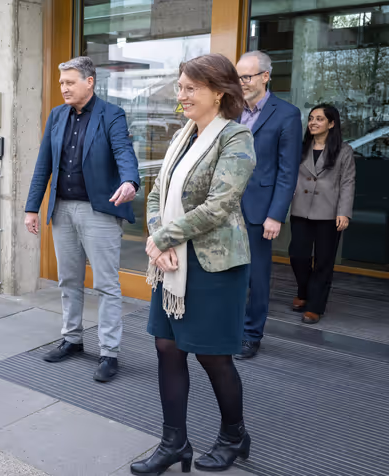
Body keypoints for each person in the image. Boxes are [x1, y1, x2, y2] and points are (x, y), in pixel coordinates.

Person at [131, 54, 256, 475]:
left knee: (213, 356)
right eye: (180, 87)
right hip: (170, 259)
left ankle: (235, 436)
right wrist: (156, 237)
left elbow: (220, 205)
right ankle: (174, 443)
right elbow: (155, 195)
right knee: (166, 347)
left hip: (214, 265)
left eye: (190, 88)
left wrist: (163, 237)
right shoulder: (182, 136)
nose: (180, 95)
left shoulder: (236, 138)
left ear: (219, 92)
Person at [24, 56, 140, 382]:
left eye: (70, 82)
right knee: (68, 280)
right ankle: (72, 339)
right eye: (61, 83)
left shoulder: (111, 115)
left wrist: (130, 182)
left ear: (90, 82)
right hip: (62, 209)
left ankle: (109, 352)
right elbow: (43, 165)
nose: (63, 88)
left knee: (106, 285)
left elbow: (123, 153)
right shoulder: (57, 116)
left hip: (98, 211)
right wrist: (31, 208)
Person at [234, 51, 303, 360]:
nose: (241, 83)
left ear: (265, 76)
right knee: (227, 271)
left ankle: (251, 335)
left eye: (246, 77)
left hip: (260, 210)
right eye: (238, 77)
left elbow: (288, 172)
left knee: (256, 276)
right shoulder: (231, 111)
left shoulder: (286, 114)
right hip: (225, 206)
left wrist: (276, 215)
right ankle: (230, 327)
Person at [289, 104, 355, 324]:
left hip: (329, 213)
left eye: (319, 119)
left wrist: (344, 212)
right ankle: (304, 292)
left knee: (324, 261)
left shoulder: (344, 151)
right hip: (300, 210)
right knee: (298, 255)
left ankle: (315, 305)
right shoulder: (301, 148)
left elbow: (347, 182)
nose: (313, 123)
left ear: (331, 123)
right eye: (311, 119)